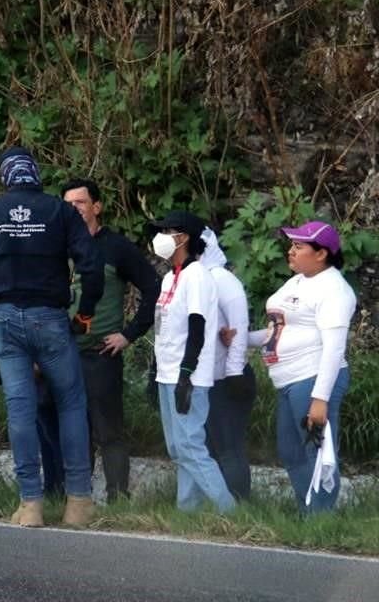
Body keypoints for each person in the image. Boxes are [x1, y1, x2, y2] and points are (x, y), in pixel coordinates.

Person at [0, 147, 104, 528]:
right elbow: (91, 266)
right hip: (50, 317)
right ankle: (78, 503)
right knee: (71, 404)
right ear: (36, 175)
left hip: (4, 320)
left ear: (6, 176)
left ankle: (31, 505)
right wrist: (84, 313)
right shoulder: (60, 211)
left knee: (20, 408)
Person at [37, 178, 160, 501]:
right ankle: (72, 498)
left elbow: (152, 287)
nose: (74, 209)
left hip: (99, 354)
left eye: (80, 202)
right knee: (63, 426)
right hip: (59, 354)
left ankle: (118, 498)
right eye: (68, 204)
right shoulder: (54, 245)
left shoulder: (115, 247)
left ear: (97, 206)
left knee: (108, 432)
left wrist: (130, 334)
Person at [242, 221, 355, 513]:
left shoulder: (334, 289)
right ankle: (307, 512)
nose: (290, 251)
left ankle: (321, 520)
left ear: (321, 254)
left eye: (298, 246)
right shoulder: (297, 281)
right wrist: (239, 338)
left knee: (316, 453)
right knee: (290, 451)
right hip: (288, 381)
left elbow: (334, 348)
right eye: (291, 245)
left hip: (312, 377)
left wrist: (320, 398)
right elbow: (277, 330)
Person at [149, 211, 234, 513]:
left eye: (166, 230)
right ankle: (189, 512)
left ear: (183, 237)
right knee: (178, 448)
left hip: (188, 375)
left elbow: (197, 327)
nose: (158, 236)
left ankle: (230, 512)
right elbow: (163, 328)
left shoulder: (197, 276)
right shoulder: (170, 277)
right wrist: (154, 371)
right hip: (167, 373)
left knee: (190, 446)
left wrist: (186, 373)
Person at [200, 228, 256, 501]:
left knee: (228, 447)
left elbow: (238, 328)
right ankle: (217, 509)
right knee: (208, 447)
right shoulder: (188, 278)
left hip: (226, 379)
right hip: (202, 379)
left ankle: (239, 508)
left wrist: (234, 372)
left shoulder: (222, 280)